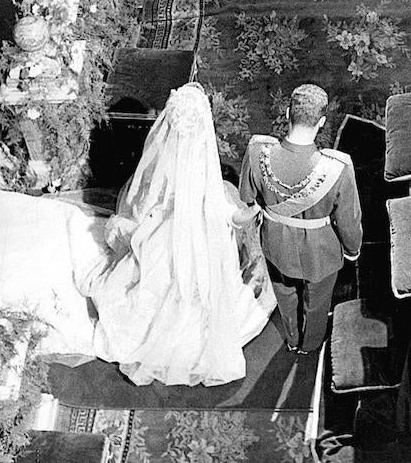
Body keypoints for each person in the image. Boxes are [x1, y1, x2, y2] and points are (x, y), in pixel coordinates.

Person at [78, 83, 276, 386]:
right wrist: (251, 212)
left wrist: (141, 228)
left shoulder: (164, 161)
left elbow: (145, 205)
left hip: (163, 236)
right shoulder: (205, 165)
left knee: (150, 270)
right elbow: (228, 214)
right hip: (199, 240)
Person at [239, 84, 363, 354]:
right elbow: (349, 220)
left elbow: (247, 197)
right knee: (317, 304)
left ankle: (293, 339)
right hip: (321, 253)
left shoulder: (257, 151)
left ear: (287, 113)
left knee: (285, 297)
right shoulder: (337, 167)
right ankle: (310, 345)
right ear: (321, 122)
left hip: (275, 246)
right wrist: (352, 250)